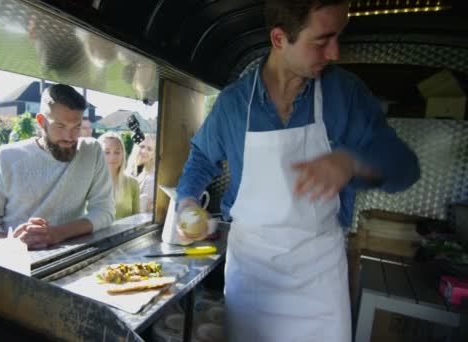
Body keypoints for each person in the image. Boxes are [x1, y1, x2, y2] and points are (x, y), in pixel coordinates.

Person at [175, 1, 420, 341]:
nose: (334, 53)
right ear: (279, 38)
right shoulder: (234, 104)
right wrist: (186, 202)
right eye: (322, 40)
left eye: (338, 37)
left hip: (318, 279)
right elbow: (201, 159)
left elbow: (406, 168)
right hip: (252, 278)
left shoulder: (344, 94)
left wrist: (352, 161)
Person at [0, 84, 114, 250]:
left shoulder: (92, 151)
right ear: (41, 121)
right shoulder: (5, 158)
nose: (69, 137)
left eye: (76, 127)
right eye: (60, 126)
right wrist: (11, 245)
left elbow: (104, 211)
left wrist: (57, 234)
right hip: (9, 262)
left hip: (67, 260)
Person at [98, 132, 140, 219]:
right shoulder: (90, 183)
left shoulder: (133, 183)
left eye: (117, 152)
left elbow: (137, 218)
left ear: (123, 155)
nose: (112, 157)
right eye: (107, 152)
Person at [126, 133, 156, 213]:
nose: (144, 151)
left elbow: (142, 209)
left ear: (154, 154)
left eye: (149, 149)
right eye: (142, 146)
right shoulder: (137, 171)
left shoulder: (152, 179)